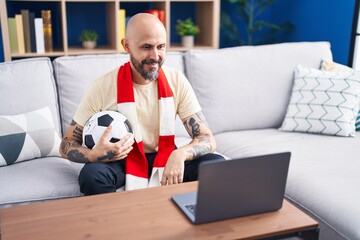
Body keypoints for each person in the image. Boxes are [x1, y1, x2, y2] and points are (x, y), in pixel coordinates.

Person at [59, 13, 225, 195]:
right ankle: (120, 222)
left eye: (161, 47)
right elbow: (67, 143)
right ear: (127, 46)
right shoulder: (101, 86)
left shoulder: (176, 80)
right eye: (146, 47)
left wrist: (181, 154)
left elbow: (207, 138)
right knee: (92, 176)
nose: (155, 56)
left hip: (165, 154)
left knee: (216, 165)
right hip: (121, 159)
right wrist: (93, 155)